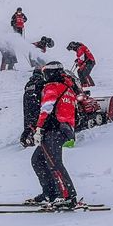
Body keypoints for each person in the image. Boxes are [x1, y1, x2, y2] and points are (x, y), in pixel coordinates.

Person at [28, 61, 78, 208]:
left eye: (45, 73)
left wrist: (38, 129)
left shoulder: (53, 86)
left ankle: (68, 196)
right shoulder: (68, 88)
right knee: (38, 160)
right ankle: (51, 192)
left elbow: (46, 108)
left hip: (54, 129)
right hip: (64, 129)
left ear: (51, 73)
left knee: (54, 163)